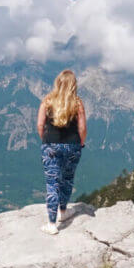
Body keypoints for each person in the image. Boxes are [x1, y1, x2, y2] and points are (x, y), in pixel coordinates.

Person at [36, 69, 87, 235]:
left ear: (57, 82)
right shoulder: (77, 103)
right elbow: (82, 128)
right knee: (67, 180)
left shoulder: (47, 101)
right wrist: (81, 143)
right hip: (72, 146)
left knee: (53, 183)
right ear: (73, 85)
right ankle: (63, 212)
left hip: (51, 145)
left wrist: (45, 140)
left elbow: (39, 125)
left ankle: (52, 223)